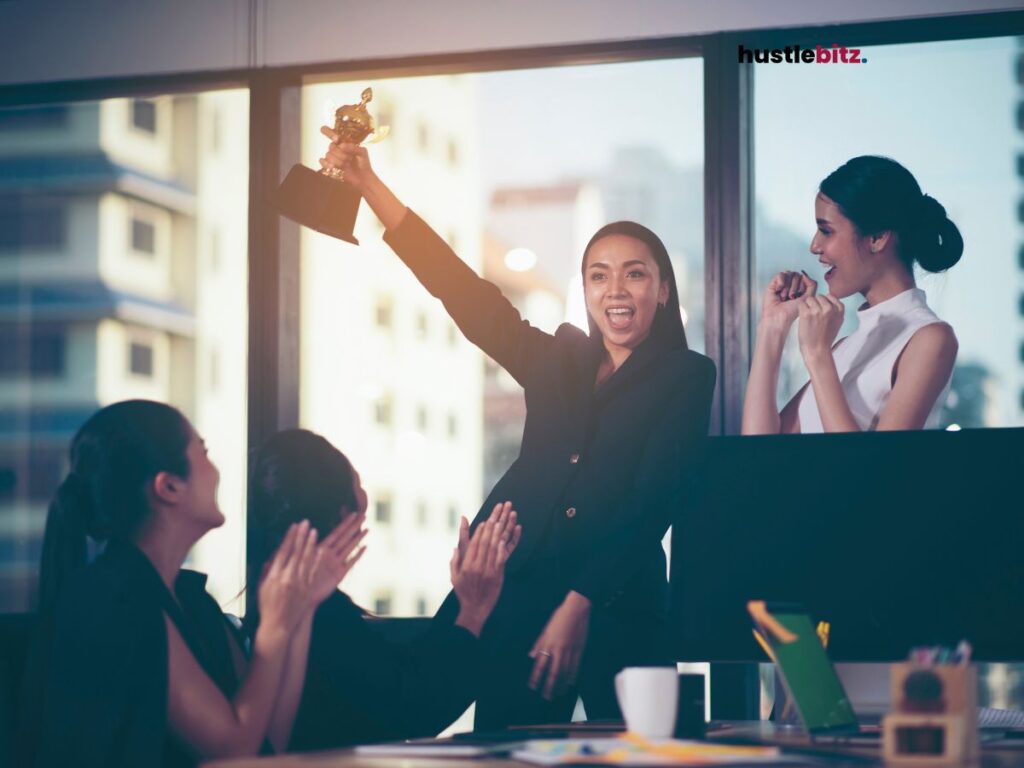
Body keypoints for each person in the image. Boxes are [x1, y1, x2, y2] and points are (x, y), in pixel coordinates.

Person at [316, 131, 716, 728]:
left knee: (648, 754)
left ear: (662, 291)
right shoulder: (557, 358)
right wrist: (372, 189)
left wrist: (579, 603)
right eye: (599, 276)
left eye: (635, 275)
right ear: (584, 290)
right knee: (504, 750)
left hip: (622, 603)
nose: (616, 290)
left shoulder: (687, 375)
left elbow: (656, 499)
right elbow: (464, 292)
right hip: (517, 587)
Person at [19, 400, 365, 767]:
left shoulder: (193, 602)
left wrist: (303, 609)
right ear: (168, 486)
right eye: (203, 452)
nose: (216, 471)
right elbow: (233, 753)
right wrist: (274, 629)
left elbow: (266, 746)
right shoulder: (114, 599)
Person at [246, 428, 522, 750]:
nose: (366, 500)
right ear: (343, 512)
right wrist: (473, 610)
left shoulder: (287, 602)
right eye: (358, 485)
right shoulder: (320, 615)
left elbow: (402, 675)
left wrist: (469, 602)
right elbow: (413, 707)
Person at [743, 155, 962, 434]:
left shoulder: (930, 339)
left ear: (877, 238)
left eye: (826, 230)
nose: (814, 245)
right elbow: (758, 452)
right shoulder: (843, 348)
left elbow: (867, 473)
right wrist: (772, 328)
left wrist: (818, 355)